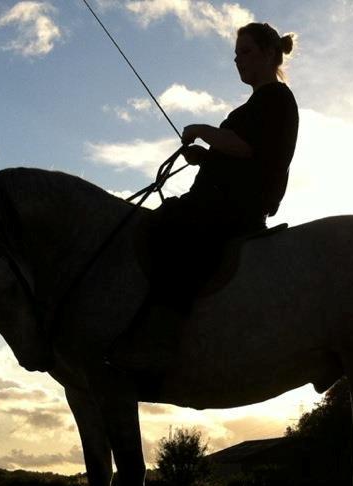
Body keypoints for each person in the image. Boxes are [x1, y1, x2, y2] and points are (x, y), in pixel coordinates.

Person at [111, 22, 299, 371]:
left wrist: (202, 131)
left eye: (246, 52)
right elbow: (239, 155)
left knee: (169, 228)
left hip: (234, 209)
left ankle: (164, 335)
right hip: (223, 201)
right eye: (236, 55)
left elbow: (247, 149)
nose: (238, 61)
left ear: (271, 54)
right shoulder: (256, 104)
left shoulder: (276, 99)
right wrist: (206, 157)